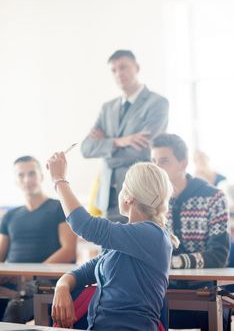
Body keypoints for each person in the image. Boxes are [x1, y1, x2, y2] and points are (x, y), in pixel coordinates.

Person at [47, 152, 178, 331]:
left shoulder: (151, 235)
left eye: (122, 187)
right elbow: (87, 270)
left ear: (129, 197)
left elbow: (83, 225)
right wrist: (62, 285)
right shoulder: (126, 238)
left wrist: (59, 179)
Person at [151, 133, 230, 330]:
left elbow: (218, 256)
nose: (156, 167)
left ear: (183, 163)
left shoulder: (214, 197)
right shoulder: (151, 199)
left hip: (203, 293)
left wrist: (174, 263)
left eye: (164, 161)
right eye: (153, 161)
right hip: (160, 292)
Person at [81, 49, 169, 223]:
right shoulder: (107, 108)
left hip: (139, 197)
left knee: (136, 248)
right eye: (113, 70)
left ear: (136, 67)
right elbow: (86, 148)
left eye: (123, 67)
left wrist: (105, 147)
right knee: (108, 250)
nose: (119, 73)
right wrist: (120, 141)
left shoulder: (157, 103)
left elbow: (142, 152)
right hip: (108, 197)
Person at [0, 156, 77, 323]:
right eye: (21, 175)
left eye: (31, 173)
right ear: (15, 180)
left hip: (44, 282)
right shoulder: (9, 216)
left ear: (41, 176)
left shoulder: (59, 207)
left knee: (15, 308)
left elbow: (69, 250)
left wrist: (29, 274)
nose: (27, 179)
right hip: (13, 281)